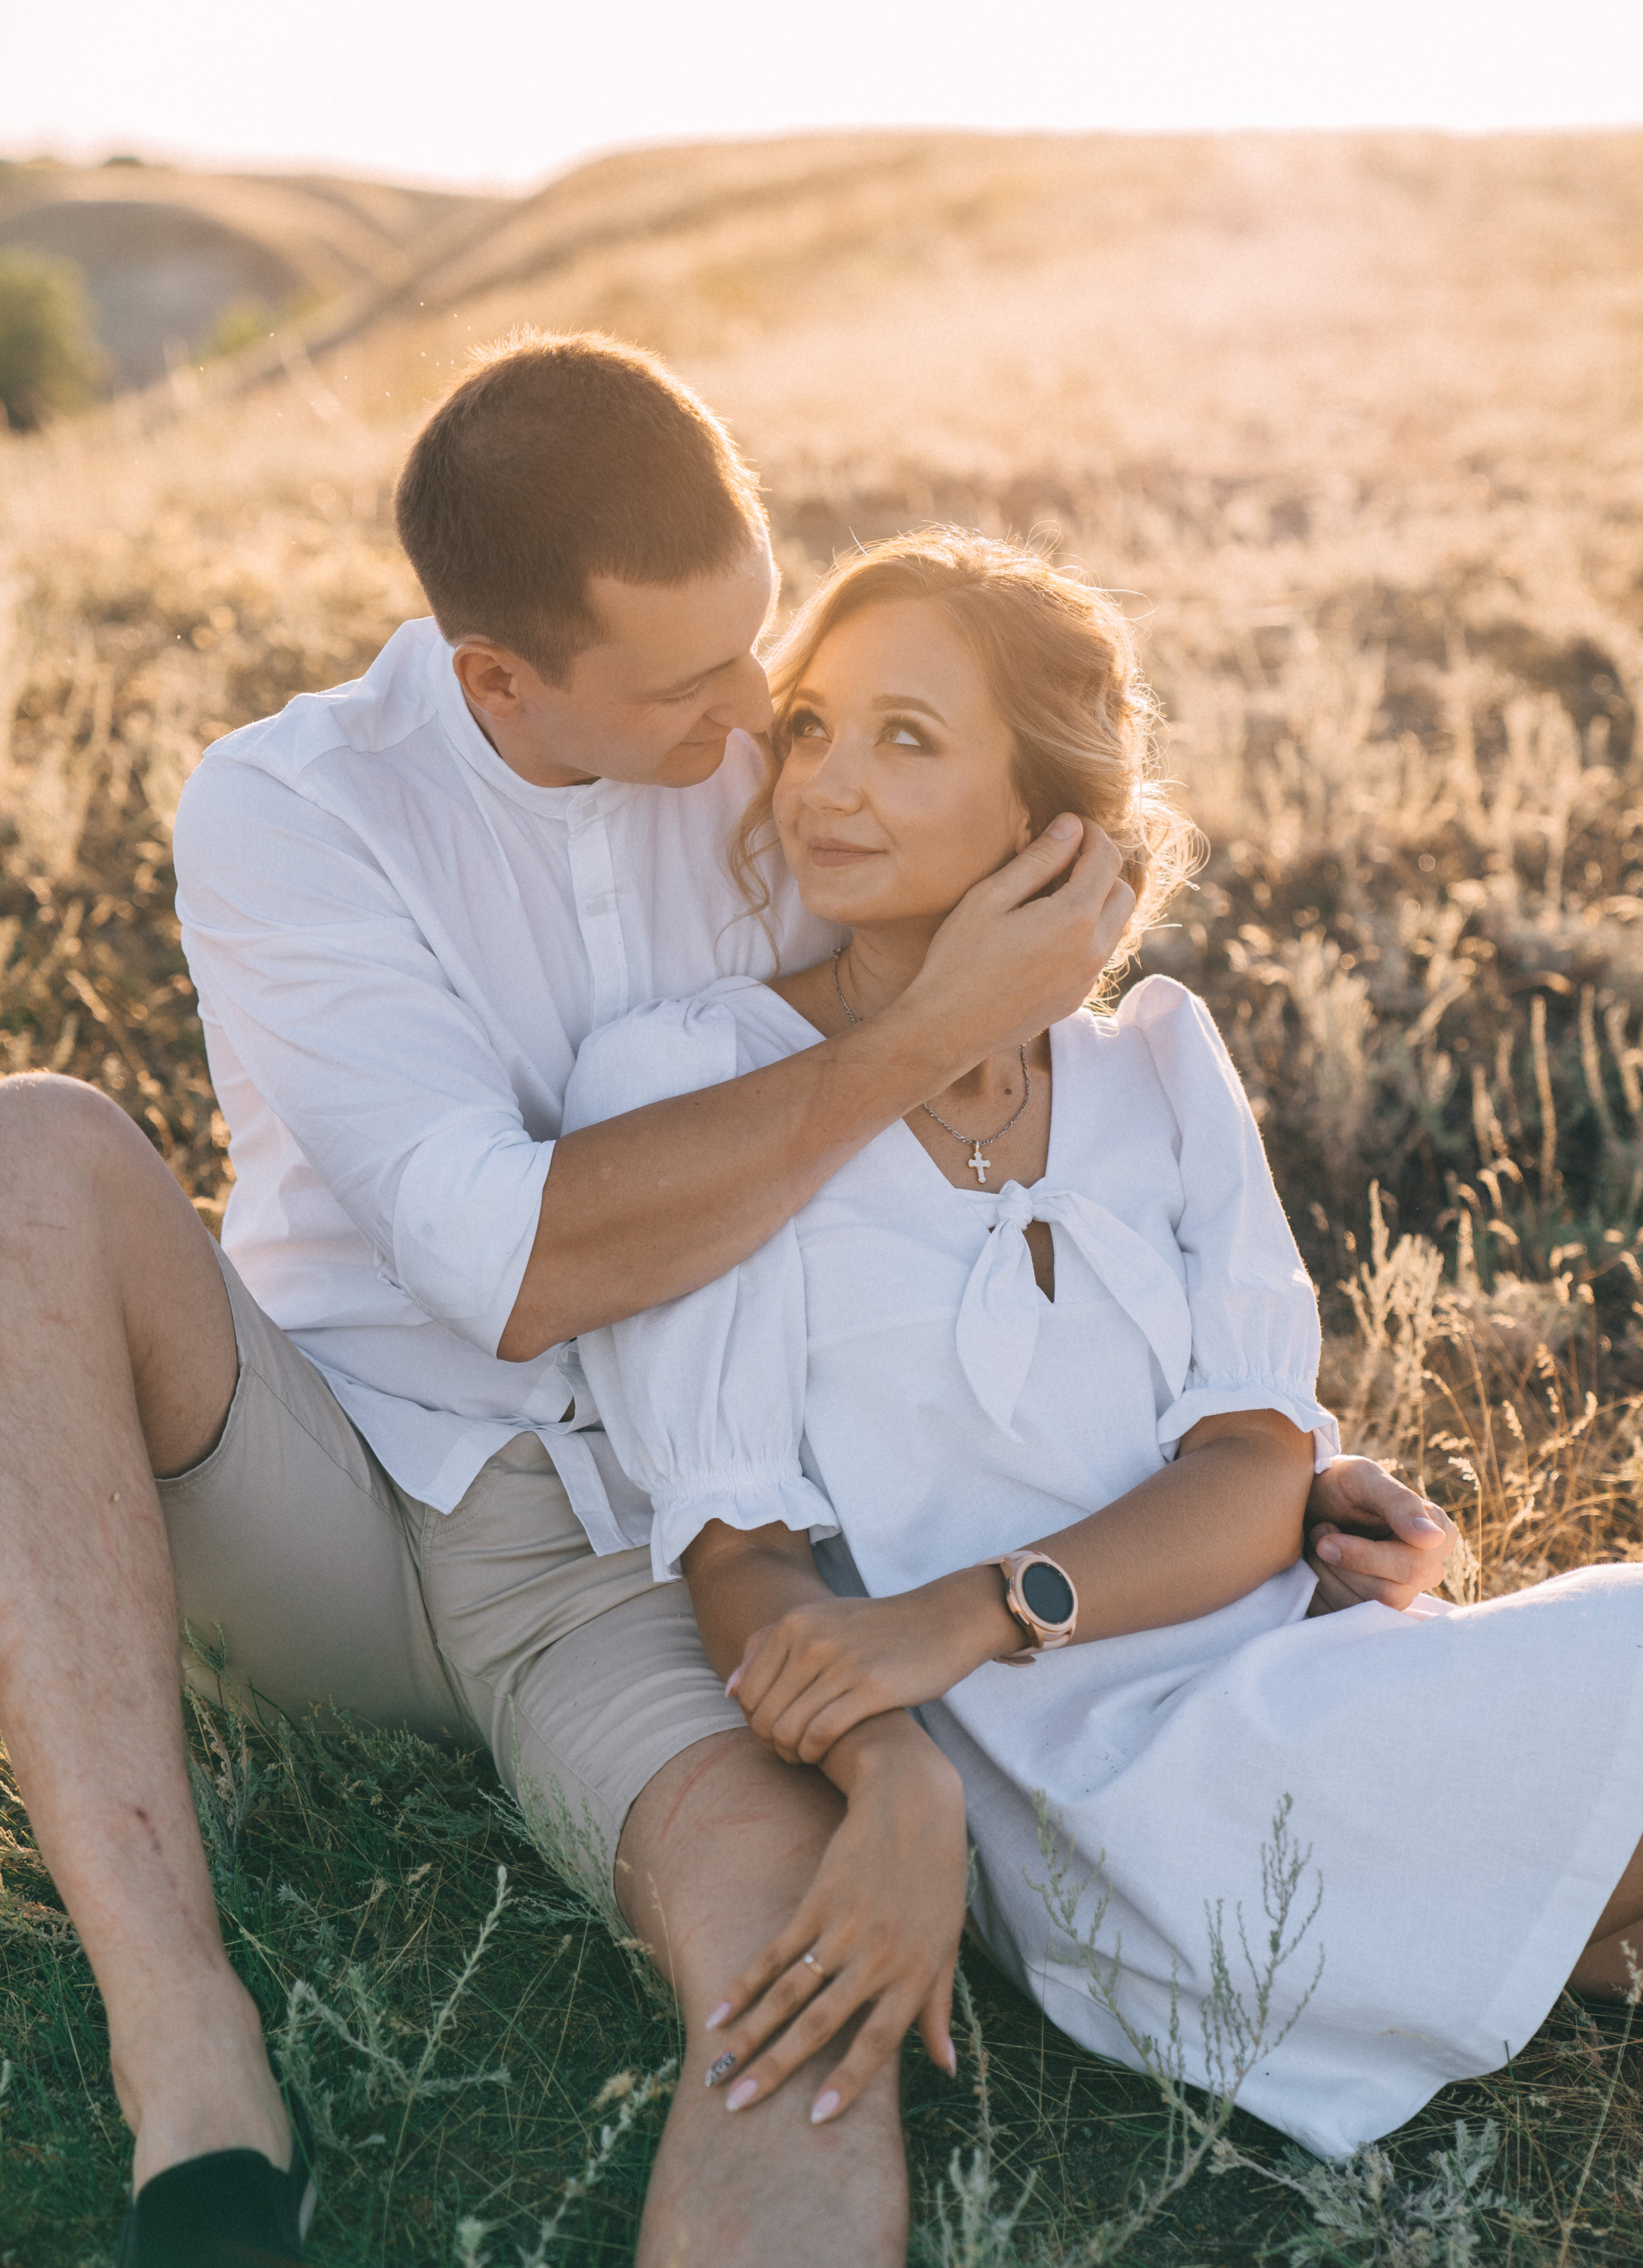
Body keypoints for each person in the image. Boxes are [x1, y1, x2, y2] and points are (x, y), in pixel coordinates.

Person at [0, 336, 1445, 2266]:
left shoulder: (781, 763)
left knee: (792, 1967)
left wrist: (1259, 1464)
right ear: (498, 680)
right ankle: (182, 2030)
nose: (759, 711)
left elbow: (1020, 1124)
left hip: (683, 1545)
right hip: (339, 1479)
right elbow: (517, 1269)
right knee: (30, 1149)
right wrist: (915, 1028)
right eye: (690, 684)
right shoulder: (297, 807)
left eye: (755, 640)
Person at [563, 526, 1643, 2163]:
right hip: (1091, 1793)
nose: (825, 783)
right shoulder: (689, 1077)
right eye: (811, 726)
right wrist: (894, 1763)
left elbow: (1254, 1462)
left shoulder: (1154, 1061)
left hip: (1300, 1666)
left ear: (1043, 817)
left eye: (904, 738)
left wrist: (983, 1604)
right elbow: (739, 1552)